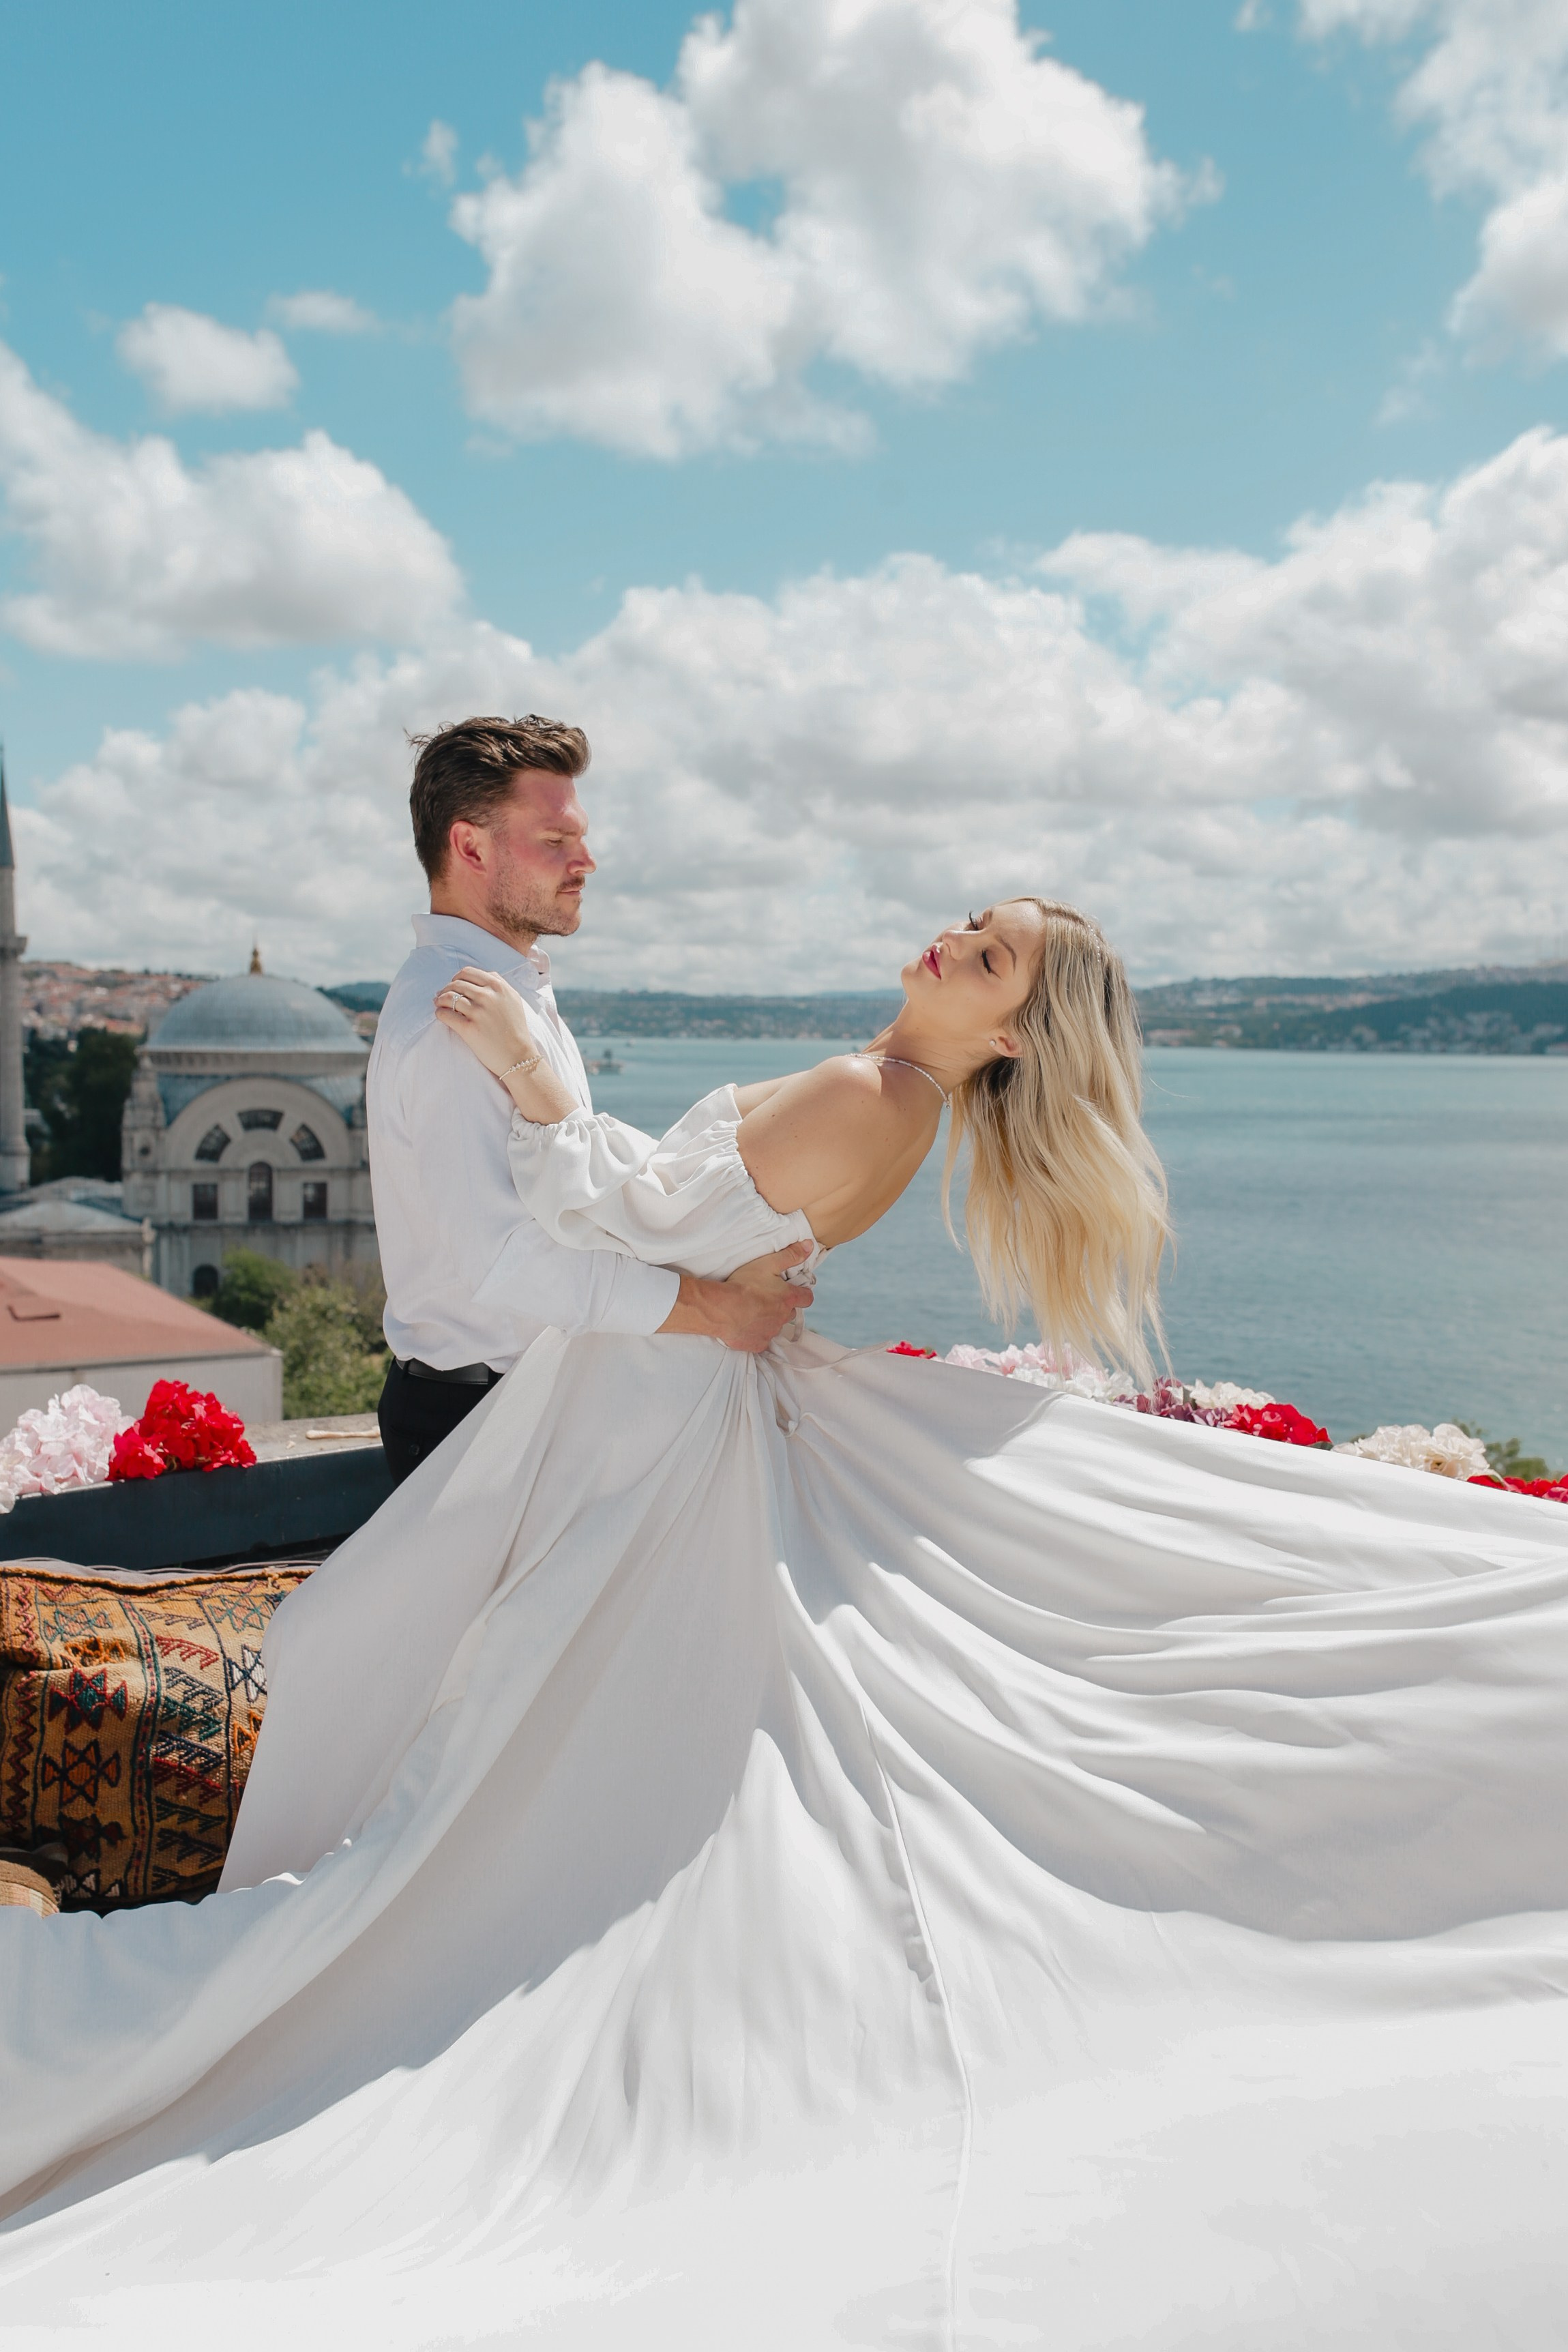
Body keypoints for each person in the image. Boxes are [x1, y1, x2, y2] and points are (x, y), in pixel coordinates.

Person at [5, 896, 1568, 2347]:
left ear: (1014, 1033)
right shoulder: (900, 1098)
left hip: (652, 1427)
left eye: (989, 956)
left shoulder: (866, 1090)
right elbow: (673, 1219)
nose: (952, 938)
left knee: (495, 1750)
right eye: (973, 922)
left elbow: (613, 1218)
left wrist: (529, 1077)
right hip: (672, 1415)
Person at [369, 713, 812, 1484]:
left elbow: (575, 1193)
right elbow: (505, 1261)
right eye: (555, 842)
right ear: (469, 846)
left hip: (519, 1415)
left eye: (580, 837)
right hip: (477, 1430)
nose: (587, 861)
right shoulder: (455, 1018)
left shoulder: (509, 993)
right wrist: (713, 1309)